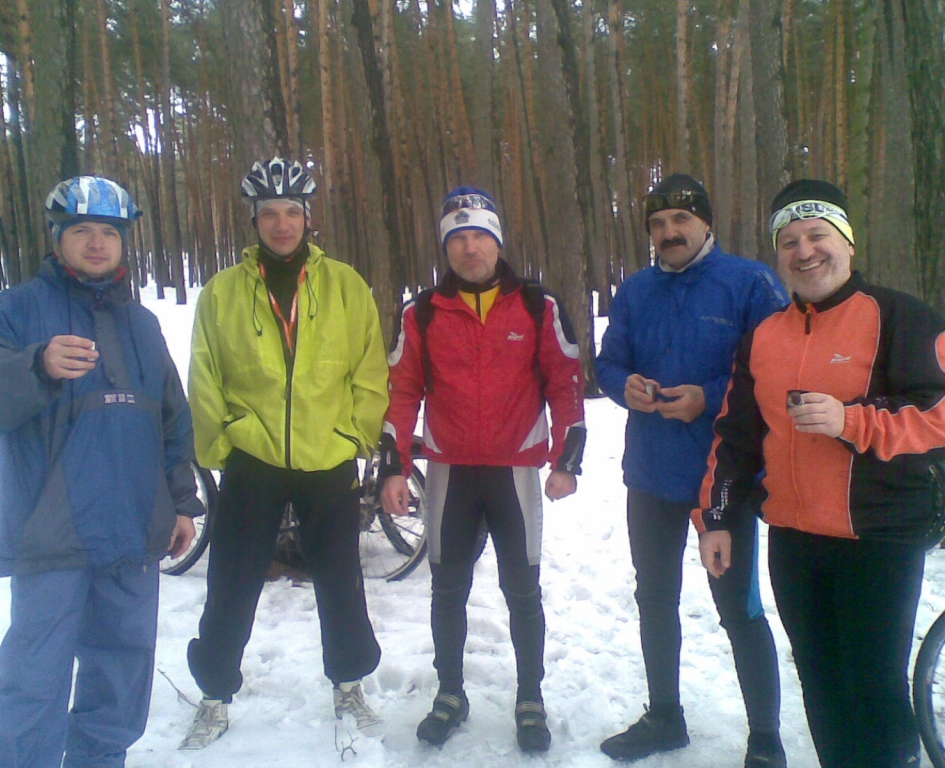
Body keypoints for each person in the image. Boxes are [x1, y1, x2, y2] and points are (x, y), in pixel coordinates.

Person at [0, 176, 202, 768]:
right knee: (33, 682)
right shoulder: (16, 311)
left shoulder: (142, 324)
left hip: (133, 532)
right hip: (51, 534)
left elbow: (171, 419)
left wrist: (182, 503)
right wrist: (34, 365)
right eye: (81, 230)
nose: (96, 243)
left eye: (108, 231)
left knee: (120, 678)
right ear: (57, 237)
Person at [696, 179, 945, 768]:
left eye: (817, 235)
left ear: (848, 243)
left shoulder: (901, 317)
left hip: (878, 540)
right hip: (794, 541)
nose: (804, 251)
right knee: (819, 680)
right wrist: (716, 518)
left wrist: (853, 421)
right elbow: (735, 437)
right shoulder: (765, 336)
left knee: (874, 688)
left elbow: (937, 416)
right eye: (789, 242)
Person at [180, 157, 389, 749]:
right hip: (254, 457)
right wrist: (224, 443)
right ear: (254, 221)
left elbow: (369, 370)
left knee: (341, 580)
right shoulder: (222, 292)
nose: (281, 224)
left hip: (328, 456)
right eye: (269, 213)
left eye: (291, 212)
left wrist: (354, 436)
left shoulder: (346, 286)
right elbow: (204, 373)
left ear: (308, 218)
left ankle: (348, 683)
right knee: (232, 580)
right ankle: (215, 694)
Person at [379, 186, 586, 753]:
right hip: (451, 473)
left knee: (522, 589)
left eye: (480, 236)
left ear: (498, 242)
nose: (470, 248)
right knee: (447, 588)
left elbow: (566, 383)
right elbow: (401, 391)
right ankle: (450, 692)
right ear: (445, 247)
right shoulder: (422, 311)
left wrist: (567, 459)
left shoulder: (538, 306)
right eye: (458, 238)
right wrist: (394, 468)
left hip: (514, 473)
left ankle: (530, 697)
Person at [595, 174, 789, 765]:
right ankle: (664, 716)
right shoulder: (636, 290)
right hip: (650, 475)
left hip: (722, 478)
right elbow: (608, 363)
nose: (669, 232)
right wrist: (624, 386)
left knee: (739, 609)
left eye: (681, 220)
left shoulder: (750, 283)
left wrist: (708, 396)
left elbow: (776, 374)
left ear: (707, 223)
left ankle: (765, 738)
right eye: (657, 224)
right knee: (654, 598)